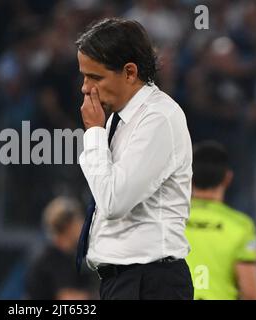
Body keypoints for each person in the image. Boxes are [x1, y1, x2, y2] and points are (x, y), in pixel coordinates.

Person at [76, 18, 193, 300]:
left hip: (151, 283)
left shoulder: (158, 118)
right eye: (83, 75)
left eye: (95, 77)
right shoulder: (119, 118)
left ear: (129, 72)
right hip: (125, 282)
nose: (85, 87)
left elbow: (114, 201)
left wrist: (93, 134)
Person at [185, 141, 256, 300]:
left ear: (189, 177)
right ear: (228, 178)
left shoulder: (171, 220)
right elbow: (250, 293)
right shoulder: (241, 226)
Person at [25, 197, 98, 300]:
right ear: (67, 226)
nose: (83, 226)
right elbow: (67, 298)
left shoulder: (69, 257)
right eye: (78, 221)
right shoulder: (51, 259)